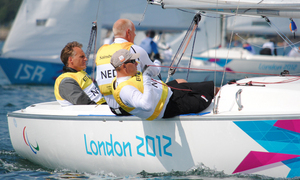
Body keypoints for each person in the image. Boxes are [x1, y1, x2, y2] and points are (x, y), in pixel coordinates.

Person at [110, 49, 215, 120]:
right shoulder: (125, 90)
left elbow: (152, 73)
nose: (137, 63)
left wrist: (156, 63)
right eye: (133, 61)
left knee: (182, 81)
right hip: (169, 105)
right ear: (124, 66)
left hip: (168, 90)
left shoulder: (128, 74)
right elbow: (146, 106)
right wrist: (146, 77)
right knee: (209, 93)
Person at [95, 19, 161, 115]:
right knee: (177, 84)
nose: (135, 35)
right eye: (134, 32)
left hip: (113, 109)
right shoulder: (134, 49)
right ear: (128, 32)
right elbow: (155, 71)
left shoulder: (101, 51)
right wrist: (157, 62)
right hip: (132, 108)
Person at [54, 41, 105, 106]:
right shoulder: (66, 81)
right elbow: (84, 104)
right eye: (82, 57)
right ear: (70, 60)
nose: (86, 59)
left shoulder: (80, 73)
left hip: (100, 108)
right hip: (94, 111)